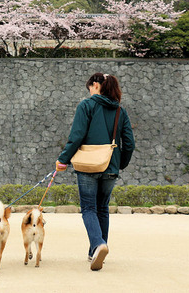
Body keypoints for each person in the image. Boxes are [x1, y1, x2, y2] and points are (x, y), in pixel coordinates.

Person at [55, 72, 135, 271]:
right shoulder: (120, 111)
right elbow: (130, 144)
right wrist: (119, 164)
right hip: (111, 166)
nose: (89, 90)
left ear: (97, 85)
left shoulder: (86, 105)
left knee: (89, 208)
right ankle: (96, 250)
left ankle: (98, 244)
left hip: (88, 165)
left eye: (90, 86)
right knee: (102, 208)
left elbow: (77, 135)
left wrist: (63, 160)